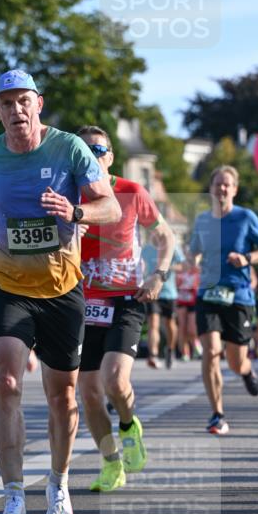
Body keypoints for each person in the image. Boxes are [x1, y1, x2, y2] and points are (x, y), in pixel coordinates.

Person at [0, 69, 120, 514]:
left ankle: (58, 484)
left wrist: (75, 211)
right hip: (9, 283)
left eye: (23, 102)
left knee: (62, 395)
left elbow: (109, 207)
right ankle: (13, 498)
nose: (16, 111)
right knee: (7, 382)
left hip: (62, 288)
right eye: (5, 104)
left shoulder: (69, 148)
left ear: (39, 104)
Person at [76, 126, 176, 493]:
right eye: (85, 151)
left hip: (125, 299)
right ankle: (110, 463)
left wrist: (159, 277)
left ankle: (129, 425)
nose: (93, 156)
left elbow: (165, 236)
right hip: (82, 302)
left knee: (115, 380)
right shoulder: (70, 196)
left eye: (99, 149)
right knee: (88, 392)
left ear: (111, 156)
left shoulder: (132, 192)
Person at [189, 165, 258, 435]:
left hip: (238, 295)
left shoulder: (246, 217)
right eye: (218, 184)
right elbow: (194, 252)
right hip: (208, 294)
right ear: (211, 189)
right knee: (211, 351)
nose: (222, 189)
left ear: (234, 190)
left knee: (235, 361)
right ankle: (217, 414)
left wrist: (247, 258)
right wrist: (192, 260)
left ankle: (247, 371)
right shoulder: (203, 220)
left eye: (227, 185)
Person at [142, 240, 184, 368]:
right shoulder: (146, 249)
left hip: (169, 292)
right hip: (152, 291)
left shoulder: (172, 246)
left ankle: (170, 350)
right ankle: (153, 355)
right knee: (153, 323)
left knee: (170, 324)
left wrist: (165, 268)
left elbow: (182, 266)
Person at [175, 256, 202, 360]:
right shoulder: (178, 272)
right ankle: (185, 353)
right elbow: (176, 285)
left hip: (193, 301)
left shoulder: (196, 271)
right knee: (182, 327)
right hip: (181, 301)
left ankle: (196, 345)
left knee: (192, 328)